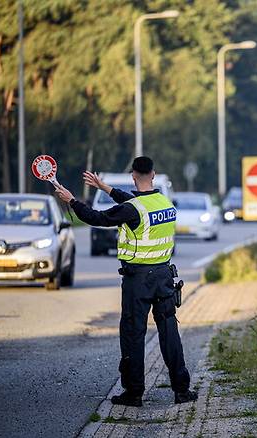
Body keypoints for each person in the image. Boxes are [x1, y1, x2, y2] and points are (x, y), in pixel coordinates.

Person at [54, 156, 197, 407]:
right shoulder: (163, 202)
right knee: (170, 333)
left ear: (133, 175)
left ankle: (134, 393)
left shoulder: (133, 209)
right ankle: (182, 390)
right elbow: (132, 202)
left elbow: (98, 218)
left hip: (138, 280)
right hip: (164, 277)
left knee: (133, 334)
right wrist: (105, 187)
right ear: (153, 174)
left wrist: (72, 201)